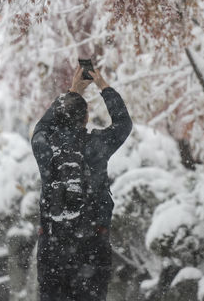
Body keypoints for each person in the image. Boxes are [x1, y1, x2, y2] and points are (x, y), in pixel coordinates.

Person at [31, 64, 133, 301]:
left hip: (52, 246)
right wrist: (103, 86)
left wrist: (72, 92)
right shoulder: (97, 146)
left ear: (60, 117)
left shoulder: (44, 145)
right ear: (86, 118)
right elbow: (123, 124)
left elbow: (42, 126)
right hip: (91, 245)